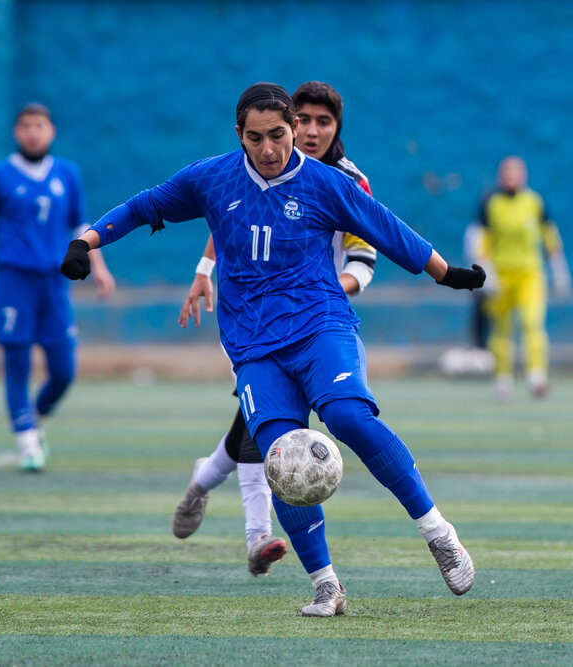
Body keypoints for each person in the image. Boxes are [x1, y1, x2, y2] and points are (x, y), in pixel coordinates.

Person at [60, 82, 482, 616]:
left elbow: (387, 229)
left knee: (349, 417)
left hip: (320, 325)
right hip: (253, 345)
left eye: (279, 135)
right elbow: (145, 205)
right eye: (255, 138)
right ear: (239, 134)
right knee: (281, 459)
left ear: (292, 130)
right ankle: (326, 584)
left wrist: (447, 275)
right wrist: (87, 242)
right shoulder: (211, 177)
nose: (269, 148)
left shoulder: (328, 183)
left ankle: (438, 533)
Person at [172, 82, 377, 579]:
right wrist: (204, 270)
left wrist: (324, 296)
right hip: (257, 323)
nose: (310, 131)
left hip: (317, 327)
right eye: (302, 121)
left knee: (254, 427)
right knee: (261, 430)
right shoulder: (265, 164)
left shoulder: (348, 182)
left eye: (322, 122)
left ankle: (201, 483)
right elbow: (231, 216)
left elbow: (365, 259)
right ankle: (257, 536)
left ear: (336, 129)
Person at [0, 103, 115, 472]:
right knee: (17, 362)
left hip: (55, 282)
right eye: (25, 125)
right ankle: (25, 440)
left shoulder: (67, 174)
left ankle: (33, 420)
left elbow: (81, 226)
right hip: (13, 280)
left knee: (64, 370)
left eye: (39, 125)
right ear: (16, 132)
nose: (32, 132)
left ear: (51, 131)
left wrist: (99, 267)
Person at [473, 156, 571, 401]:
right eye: (507, 172)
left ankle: (536, 375)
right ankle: (503, 379)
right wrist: (485, 271)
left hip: (530, 274)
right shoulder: (490, 203)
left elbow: (549, 234)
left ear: (524, 176)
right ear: (500, 176)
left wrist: (558, 267)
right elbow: (480, 239)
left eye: (516, 172)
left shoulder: (534, 202)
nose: (511, 177)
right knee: (501, 329)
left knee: (532, 323)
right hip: (501, 275)